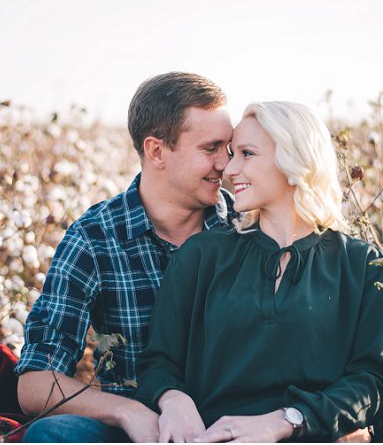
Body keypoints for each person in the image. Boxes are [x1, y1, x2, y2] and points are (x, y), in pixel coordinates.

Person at [134, 101, 383, 443]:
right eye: (232, 154)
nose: (229, 169)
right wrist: (172, 398)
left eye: (246, 154)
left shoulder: (359, 263)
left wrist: (288, 420)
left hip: (314, 434)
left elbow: (373, 382)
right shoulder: (202, 254)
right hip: (216, 436)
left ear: (295, 160)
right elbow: (158, 361)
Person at [16, 72, 236, 442]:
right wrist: (126, 411)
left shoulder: (246, 225)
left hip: (235, 426)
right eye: (210, 148)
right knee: (53, 435)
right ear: (156, 151)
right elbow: (35, 383)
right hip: (140, 432)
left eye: (229, 148)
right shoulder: (95, 236)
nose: (225, 164)